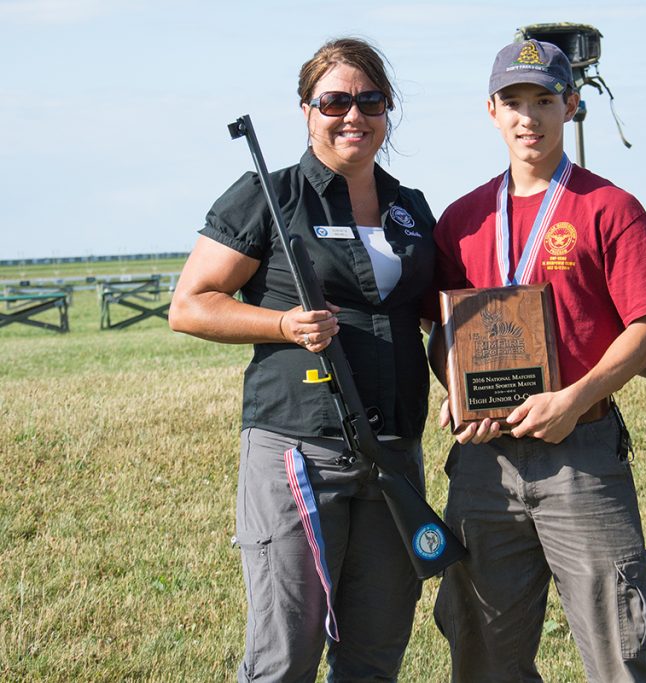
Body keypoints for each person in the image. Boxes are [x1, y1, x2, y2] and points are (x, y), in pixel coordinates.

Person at [168, 38, 435, 682]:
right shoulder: (268, 195)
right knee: (285, 653)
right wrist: (282, 324)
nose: (353, 115)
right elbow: (191, 304)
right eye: (335, 100)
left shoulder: (410, 207)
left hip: (394, 451)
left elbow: (437, 316)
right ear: (306, 110)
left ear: (388, 108)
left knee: (375, 652)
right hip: (298, 451)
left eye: (369, 99)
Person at [425, 40, 646, 682]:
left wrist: (574, 399)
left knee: (618, 650)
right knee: (481, 650)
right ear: (491, 110)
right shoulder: (462, 219)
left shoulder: (609, 208)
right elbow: (442, 332)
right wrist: (454, 391)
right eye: (513, 101)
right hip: (485, 463)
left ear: (571, 105)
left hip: (582, 453)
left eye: (544, 99)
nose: (528, 116)